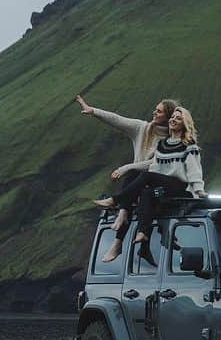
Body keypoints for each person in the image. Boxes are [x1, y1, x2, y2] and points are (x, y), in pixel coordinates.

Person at [92, 106, 205, 257]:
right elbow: (155, 167)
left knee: (146, 176)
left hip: (180, 189)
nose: (174, 120)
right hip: (164, 191)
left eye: (178, 118)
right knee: (148, 192)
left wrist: (199, 191)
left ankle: (116, 200)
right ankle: (143, 234)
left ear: (185, 124)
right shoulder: (163, 144)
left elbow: (194, 170)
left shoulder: (189, 145)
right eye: (173, 117)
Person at [75, 94, 178, 261]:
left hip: (157, 186)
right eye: (155, 110)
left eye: (159, 112)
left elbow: (154, 164)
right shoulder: (142, 128)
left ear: (167, 117)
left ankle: (120, 226)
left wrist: (126, 167)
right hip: (138, 180)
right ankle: (122, 216)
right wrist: (92, 111)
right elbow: (117, 119)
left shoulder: (171, 141)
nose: (154, 113)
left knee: (136, 176)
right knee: (134, 176)